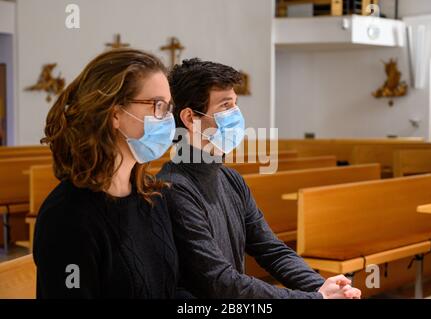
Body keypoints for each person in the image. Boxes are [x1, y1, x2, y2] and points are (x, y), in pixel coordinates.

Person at [157, 58, 361, 299]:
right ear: (190, 118)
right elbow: (219, 281)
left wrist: (322, 286)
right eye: (225, 106)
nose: (235, 114)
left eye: (236, 104)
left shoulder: (230, 179)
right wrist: (315, 299)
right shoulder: (174, 187)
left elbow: (271, 249)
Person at [34, 49, 179, 298]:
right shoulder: (68, 217)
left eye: (168, 108)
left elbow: (171, 289)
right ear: (114, 114)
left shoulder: (153, 196)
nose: (168, 119)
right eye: (158, 106)